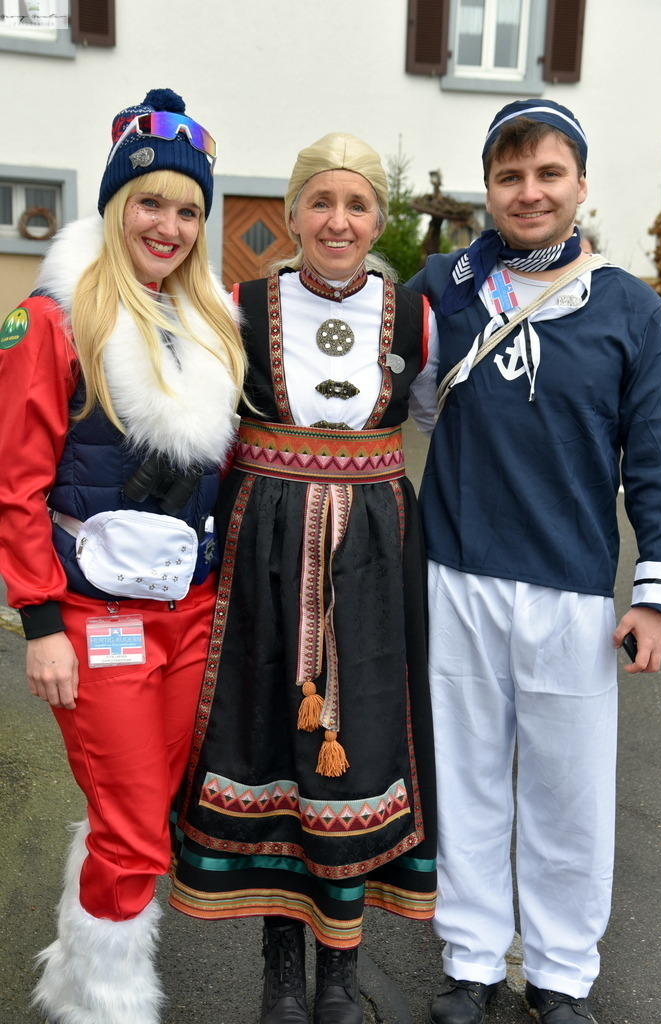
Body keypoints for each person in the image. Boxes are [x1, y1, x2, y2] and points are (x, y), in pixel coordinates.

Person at [406, 99, 661, 1024]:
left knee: (568, 796)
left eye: (548, 174)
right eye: (511, 175)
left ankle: (562, 976)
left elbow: (656, 460)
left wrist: (659, 594)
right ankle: (474, 960)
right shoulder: (444, 285)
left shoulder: (632, 310)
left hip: (570, 585)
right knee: (470, 779)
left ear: (580, 184)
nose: (530, 192)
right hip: (456, 569)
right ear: (489, 187)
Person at [169, 132, 438, 1024]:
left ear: (377, 221)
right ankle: (281, 970)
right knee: (268, 738)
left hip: (370, 558)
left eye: (356, 204)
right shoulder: (237, 306)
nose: (337, 220)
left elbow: (448, 425)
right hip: (264, 551)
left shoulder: (417, 320)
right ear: (289, 215)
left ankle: (338, 973)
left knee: (357, 746)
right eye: (319, 201)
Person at [0, 88, 246, 1024]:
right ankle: (105, 1006)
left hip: (188, 615)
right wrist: (40, 623)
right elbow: (15, 487)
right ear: (115, 204)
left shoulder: (210, 323)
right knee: (136, 827)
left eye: (189, 210)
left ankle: (74, 979)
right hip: (96, 621)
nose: (171, 225)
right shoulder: (53, 319)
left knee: (137, 819)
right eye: (151, 202)